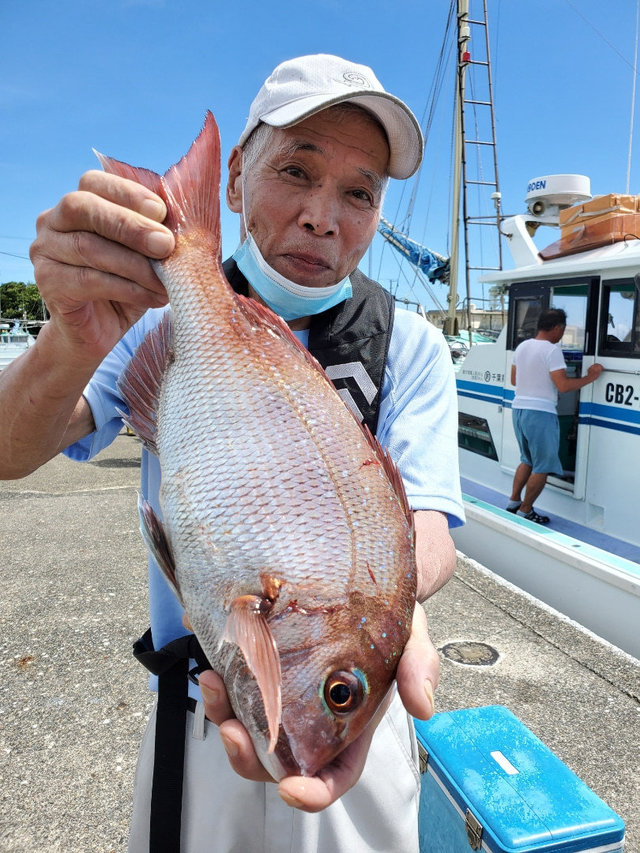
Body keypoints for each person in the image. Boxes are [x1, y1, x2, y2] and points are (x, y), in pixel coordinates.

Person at [0, 54, 464, 852]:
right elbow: (12, 450)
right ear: (235, 178)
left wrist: (389, 613)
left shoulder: (414, 346)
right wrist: (67, 343)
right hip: (197, 718)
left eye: (359, 192)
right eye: (296, 170)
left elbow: (430, 523)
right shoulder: (150, 317)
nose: (324, 215)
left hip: (364, 725)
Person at [507, 307, 603, 524]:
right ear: (558, 328)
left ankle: (513, 501)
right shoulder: (552, 351)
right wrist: (591, 376)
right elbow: (563, 385)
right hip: (540, 415)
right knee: (543, 466)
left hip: (519, 410)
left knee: (527, 460)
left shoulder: (522, 347)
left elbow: (515, 380)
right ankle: (526, 510)